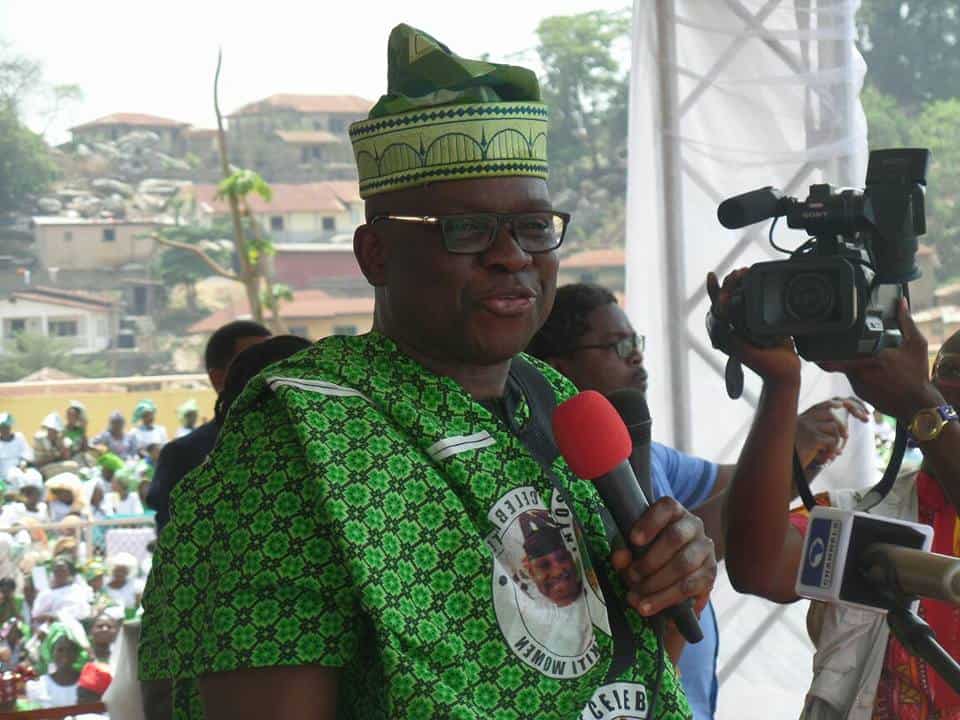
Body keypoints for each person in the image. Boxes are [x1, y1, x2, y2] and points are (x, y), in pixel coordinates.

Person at [140, 25, 715, 719]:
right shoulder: (298, 441)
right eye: (465, 230)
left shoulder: (559, 403)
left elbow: (616, 678)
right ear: (375, 253)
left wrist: (673, 579)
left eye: (534, 227)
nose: (512, 256)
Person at [527, 283, 866, 720]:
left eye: (636, 342)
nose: (636, 356)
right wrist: (785, 412)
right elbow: (712, 531)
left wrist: (799, 449)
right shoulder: (546, 475)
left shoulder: (652, 454)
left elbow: (744, 497)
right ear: (558, 369)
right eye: (617, 346)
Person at [710, 267, 960, 719]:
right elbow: (760, 569)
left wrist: (921, 405)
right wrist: (781, 384)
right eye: (951, 374)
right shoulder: (876, 515)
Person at [147, 320, 272, 531]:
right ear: (219, 379)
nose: (269, 375)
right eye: (254, 365)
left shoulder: (306, 440)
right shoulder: (182, 455)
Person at [26, 621, 87, 707]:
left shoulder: (86, 686)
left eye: (70, 649)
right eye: (60, 650)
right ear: (51, 652)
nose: (65, 654)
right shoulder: (39, 687)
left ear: (77, 653)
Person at [31, 557, 91, 625]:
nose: (59, 573)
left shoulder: (78, 590)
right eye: (56, 570)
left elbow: (84, 612)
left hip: (77, 626)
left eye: (63, 570)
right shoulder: (46, 594)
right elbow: (36, 616)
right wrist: (54, 617)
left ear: (70, 572)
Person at [0, 413, 32, 481]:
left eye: (6, 427)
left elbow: (26, 452)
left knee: (36, 477)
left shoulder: (19, 437)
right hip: (4, 473)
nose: (4, 430)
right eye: (2, 428)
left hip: (21, 468)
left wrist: (24, 462)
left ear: (10, 427)